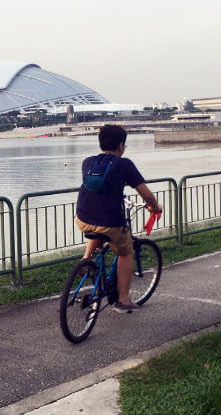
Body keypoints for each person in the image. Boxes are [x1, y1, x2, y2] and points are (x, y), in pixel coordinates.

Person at [75, 125, 162, 313]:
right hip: (109, 222)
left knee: (97, 228)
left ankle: (85, 260)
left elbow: (100, 189)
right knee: (125, 251)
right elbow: (146, 194)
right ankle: (123, 300)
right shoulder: (124, 164)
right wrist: (155, 207)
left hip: (82, 217)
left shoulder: (88, 162)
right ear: (121, 145)